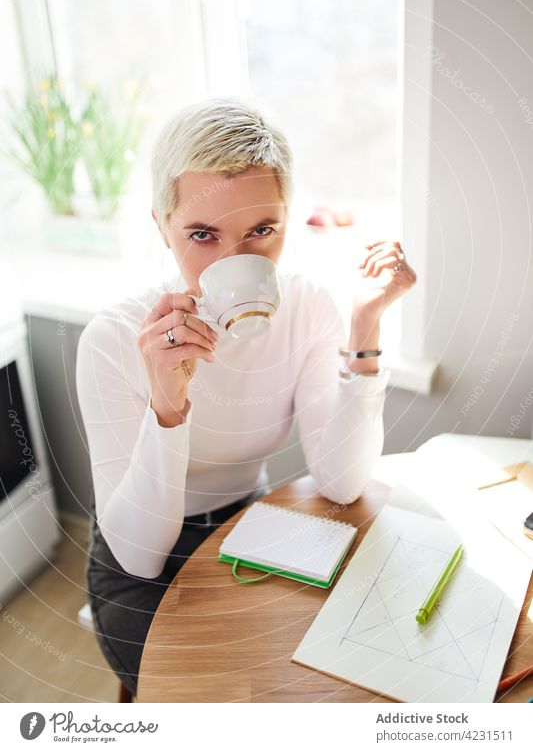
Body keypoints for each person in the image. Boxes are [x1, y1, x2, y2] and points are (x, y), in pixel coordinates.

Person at [76, 98, 417, 698]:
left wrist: (364, 331)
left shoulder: (309, 308)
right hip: (136, 553)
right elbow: (138, 554)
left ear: (290, 220)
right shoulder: (112, 338)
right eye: (203, 235)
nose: (236, 261)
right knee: (197, 702)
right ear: (161, 226)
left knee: (298, 684)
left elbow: (340, 483)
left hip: (245, 523)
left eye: (262, 231)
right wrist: (168, 405)